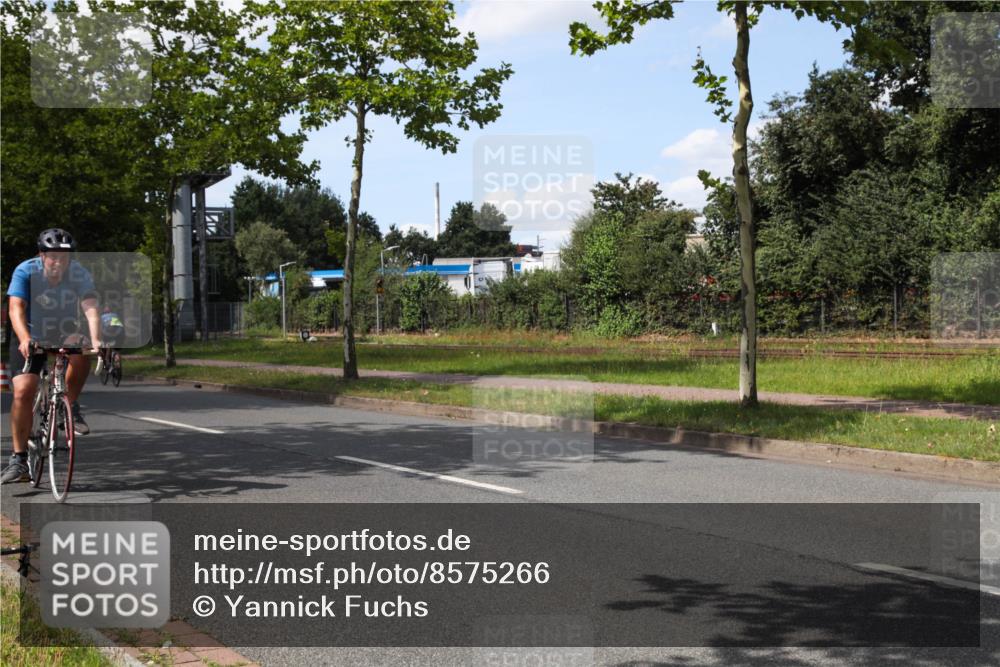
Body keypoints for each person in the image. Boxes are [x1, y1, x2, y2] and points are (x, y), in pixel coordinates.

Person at [2, 228, 101, 484]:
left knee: (81, 354)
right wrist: (24, 338)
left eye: (64, 257)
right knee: (24, 389)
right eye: (53, 256)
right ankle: (19, 459)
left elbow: (90, 306)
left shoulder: (78, 273)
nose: (59, 262)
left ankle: (71, 404)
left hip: (63, 329)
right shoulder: (26, 271)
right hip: (30, 332)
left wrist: (97, 338)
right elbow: (16, 308)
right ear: (41, 255)